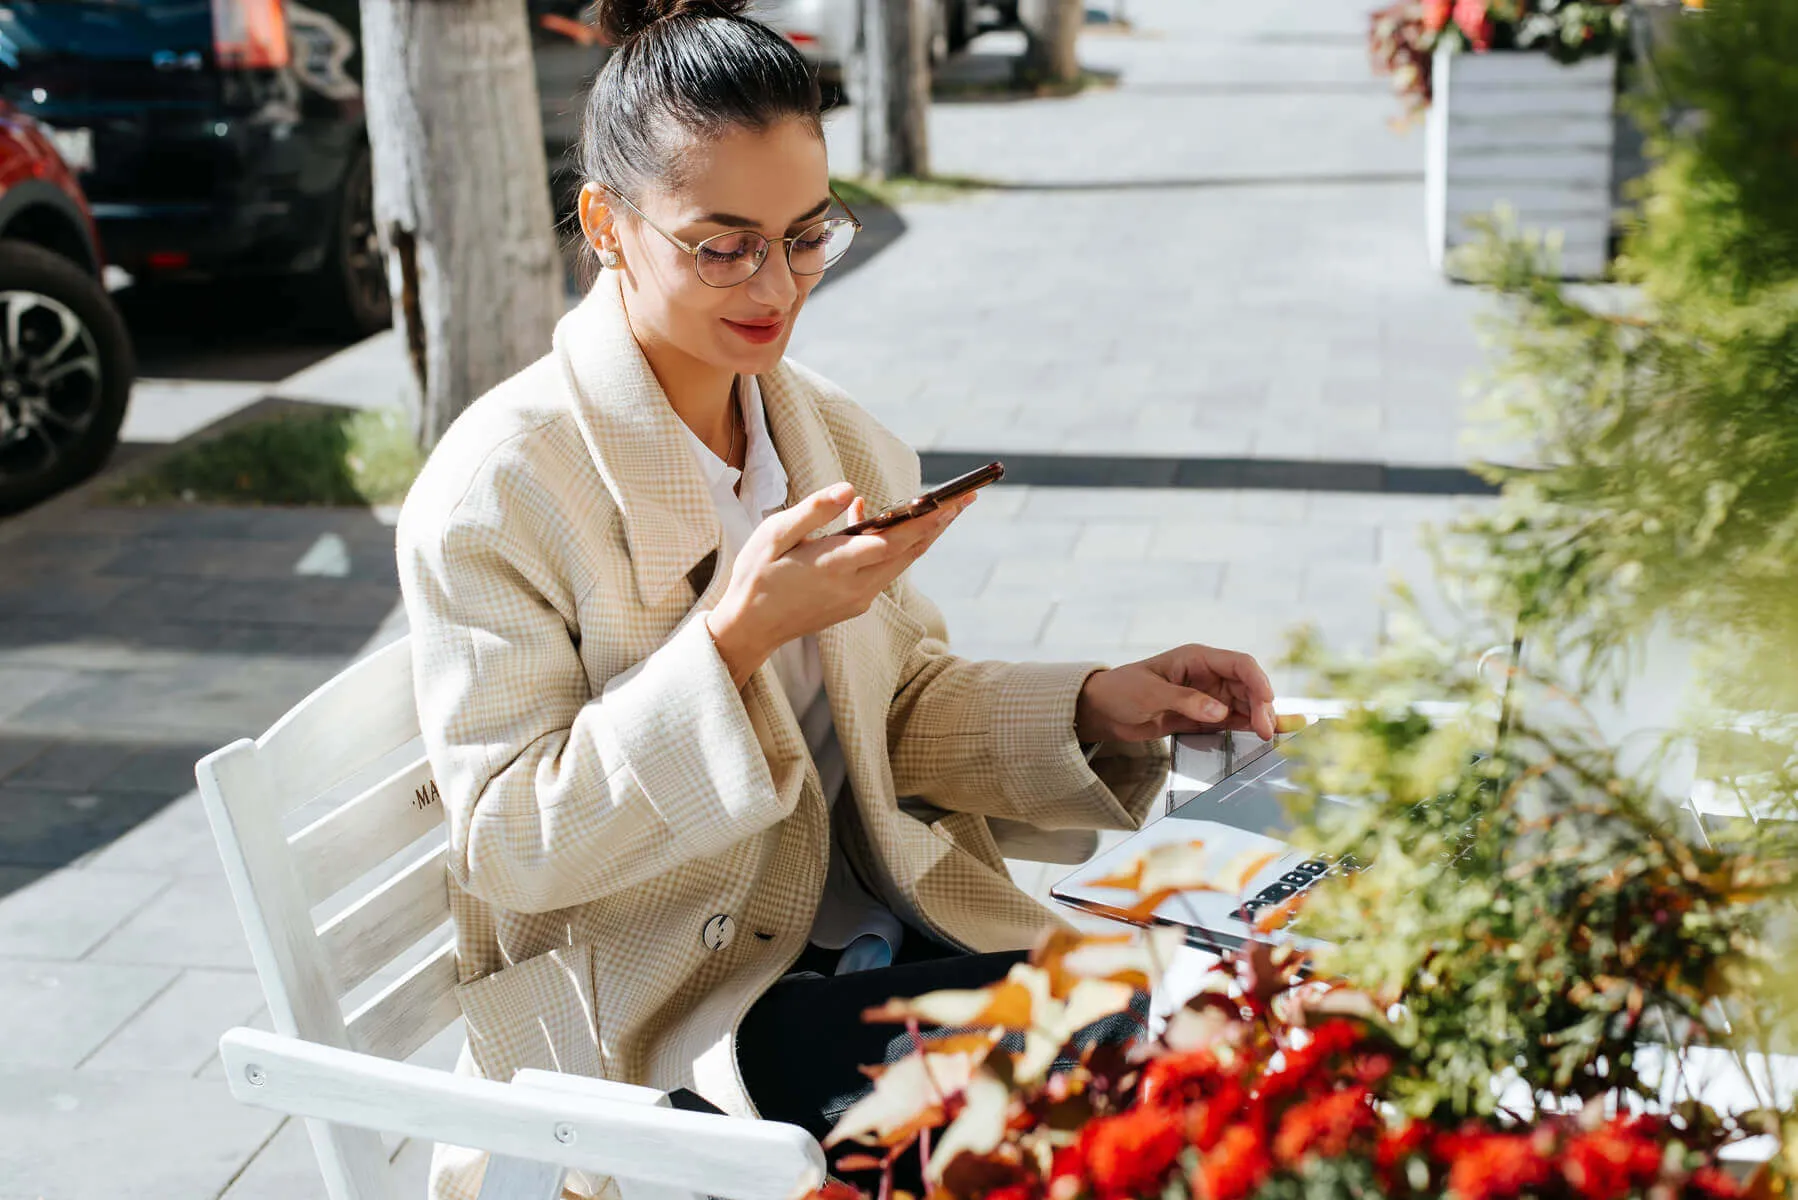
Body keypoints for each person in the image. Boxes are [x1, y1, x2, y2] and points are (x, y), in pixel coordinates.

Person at [395, 0, 1278, 1195]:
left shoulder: (829, 434)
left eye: (807, 236)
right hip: (676, 1013)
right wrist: (734, 637)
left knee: (1226, 1031)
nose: (776, 284)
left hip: (877, 935)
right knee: (1180, 1069)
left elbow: (893, 708)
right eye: (723, 244)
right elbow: (508, 848)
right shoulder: (499, 492)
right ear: (605, 224)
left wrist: (1098, 704)